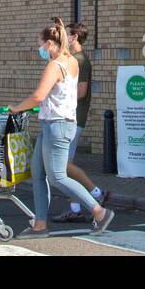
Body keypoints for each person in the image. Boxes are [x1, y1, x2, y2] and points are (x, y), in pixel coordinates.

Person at [9, 16, 115, 236]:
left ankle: (99, 212)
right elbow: (61, 94)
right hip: (57, 122)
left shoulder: (54, 65)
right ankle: (40, 225)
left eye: (41, 46)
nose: (40, 50)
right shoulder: (72, 62)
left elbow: (38, 96)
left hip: (56, 126)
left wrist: (16, 109)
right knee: (37, 172)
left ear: (49, 44)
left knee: (57, 176)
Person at [54, 21, 111, 222]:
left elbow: (81, 91)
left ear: (74, 37)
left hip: (73, 118)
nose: (64, 39)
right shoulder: (73, 59)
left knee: (64, 166)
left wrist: (57, 96)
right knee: (65, 166)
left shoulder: (80, 60)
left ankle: (94, 196)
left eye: (67, 35)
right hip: (69, 117)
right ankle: (79, 205)